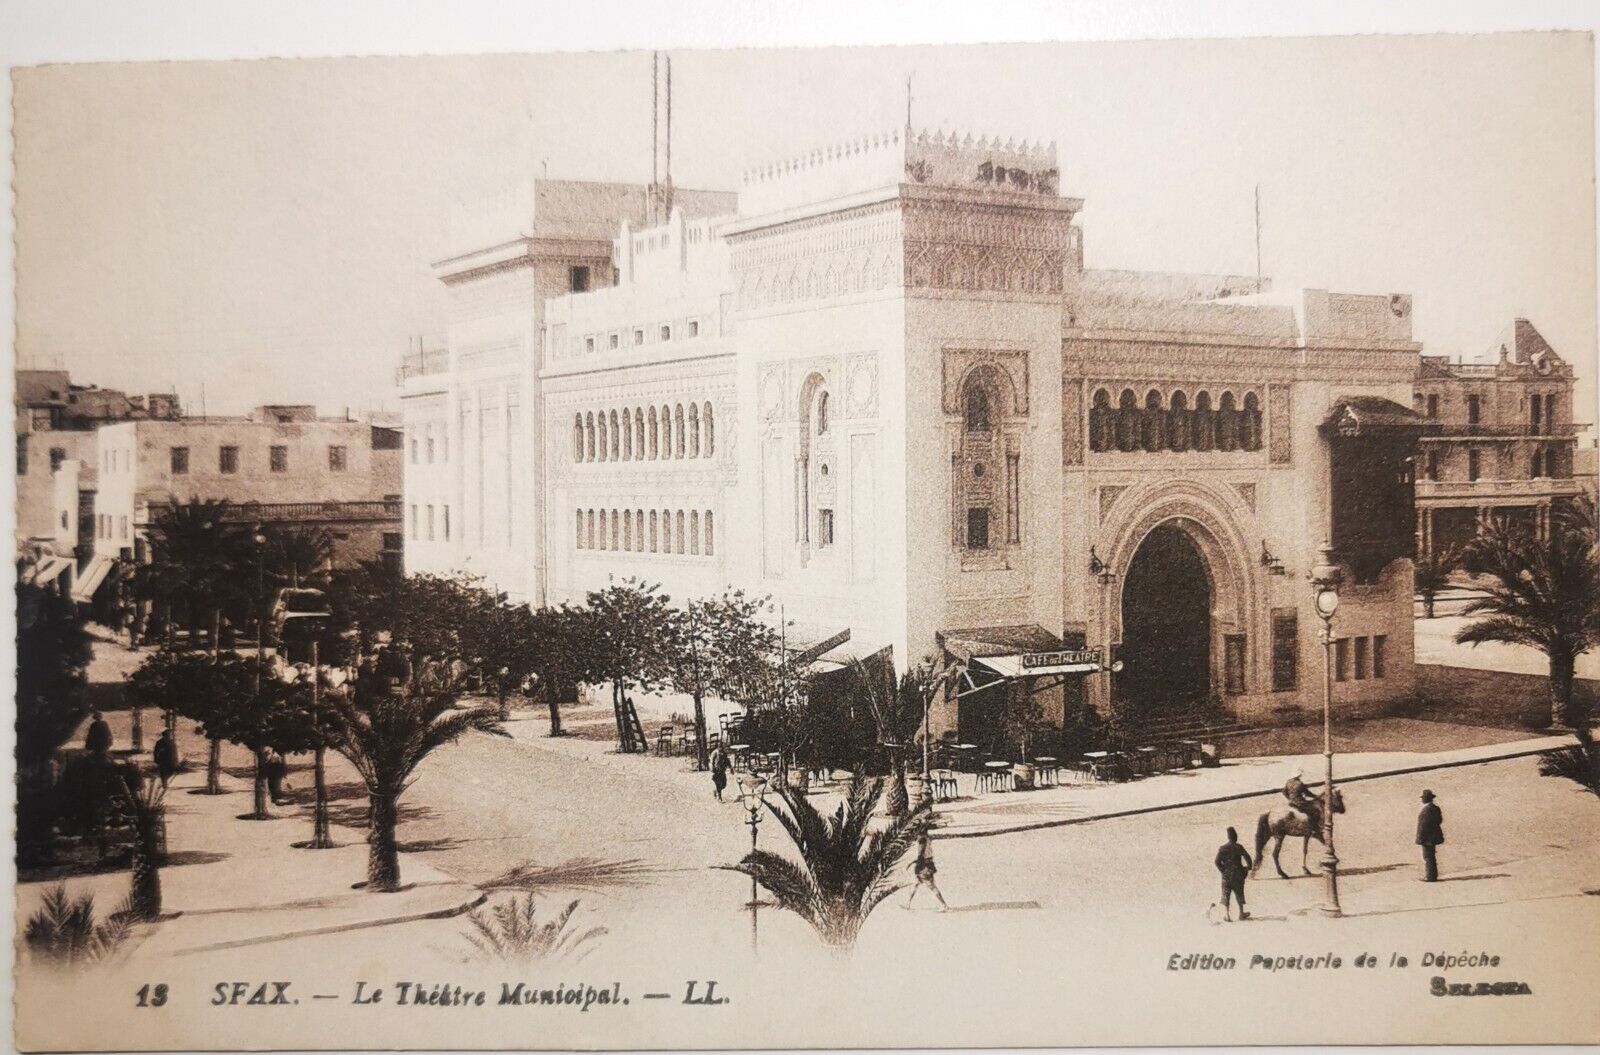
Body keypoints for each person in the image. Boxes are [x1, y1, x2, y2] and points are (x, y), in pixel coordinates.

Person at [1213, 826, 1253, 921]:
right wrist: (1248, 867)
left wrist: (1223, 871)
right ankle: (1241, 914)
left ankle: (1227, 915)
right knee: (1239, 894)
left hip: (1227, 876)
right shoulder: (1239, 847)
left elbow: (1217, 862)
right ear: (1235, 837)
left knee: (1226, 895)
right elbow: (1247, 857)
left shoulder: (1222, 848)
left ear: (1228, 837)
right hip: (1238, 874)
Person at [906, 833, 949, 910]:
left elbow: (921, 855)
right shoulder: (928, 838)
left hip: (923, 867)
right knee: (916, 884)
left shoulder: (921, 840)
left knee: (931, 886)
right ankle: (908, 904)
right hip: (929, 864)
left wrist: (912, 862)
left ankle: (944, 905)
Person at [1416, 789, 1444, 881]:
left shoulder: (1426, 810)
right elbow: (1439, 820)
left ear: (1426, 799)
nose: (1422, 800)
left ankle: (1430, 877)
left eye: (1423, 798)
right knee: (1431, 856)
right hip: (1434, 836)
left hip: (1427, 838)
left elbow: (1423, 826)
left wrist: (1419, 838)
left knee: (1428, 857)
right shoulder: (1435, 808)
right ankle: (1432, 875)